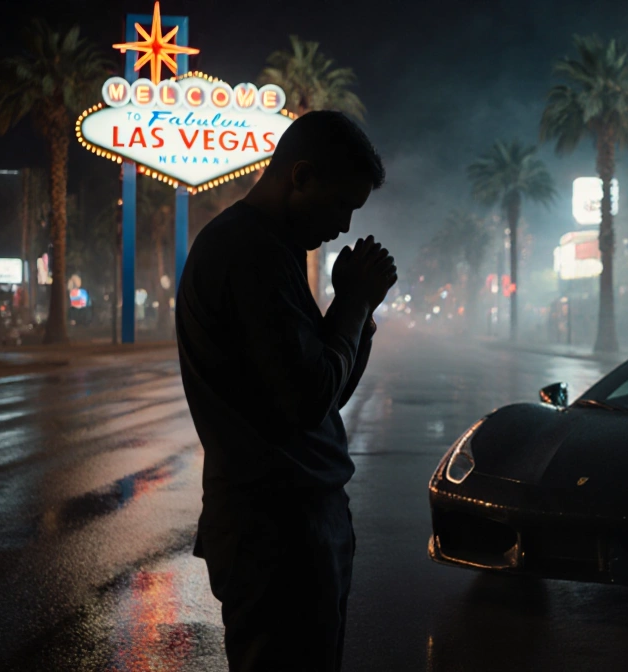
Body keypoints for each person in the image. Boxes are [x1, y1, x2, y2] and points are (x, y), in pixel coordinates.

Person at [175, 111, 396, 671]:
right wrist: (352, 304)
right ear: (300, 177)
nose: (344, 226)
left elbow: (323, 395)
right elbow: (309, 395)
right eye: (341, 204)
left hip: (293, 523)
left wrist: (358, 313)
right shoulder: (247, 252)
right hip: (275, 531)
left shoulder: (270, 249)